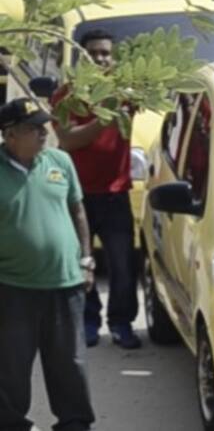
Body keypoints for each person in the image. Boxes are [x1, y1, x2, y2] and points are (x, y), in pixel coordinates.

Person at [0, 97, 96, 431]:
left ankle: (74, 423)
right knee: (11, 365)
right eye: (34, 128)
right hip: (13, 286)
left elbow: (78, 210)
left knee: (70, 362)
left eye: (44, 126)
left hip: (65, 282)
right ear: (10, 134)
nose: (44, 133)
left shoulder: (60, 161)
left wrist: (86, 260)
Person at [49, 30, 139, 351]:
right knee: (81, 263)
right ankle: (88, 322)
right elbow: (69, 139)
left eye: (105, 53)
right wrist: (106, 116)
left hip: (116, 194)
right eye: (93, 53)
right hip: (77, 197)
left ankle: (121, 323)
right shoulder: (65, 96)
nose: (100, 59)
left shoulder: (126, 91)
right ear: (80, 57)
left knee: (123, 266)